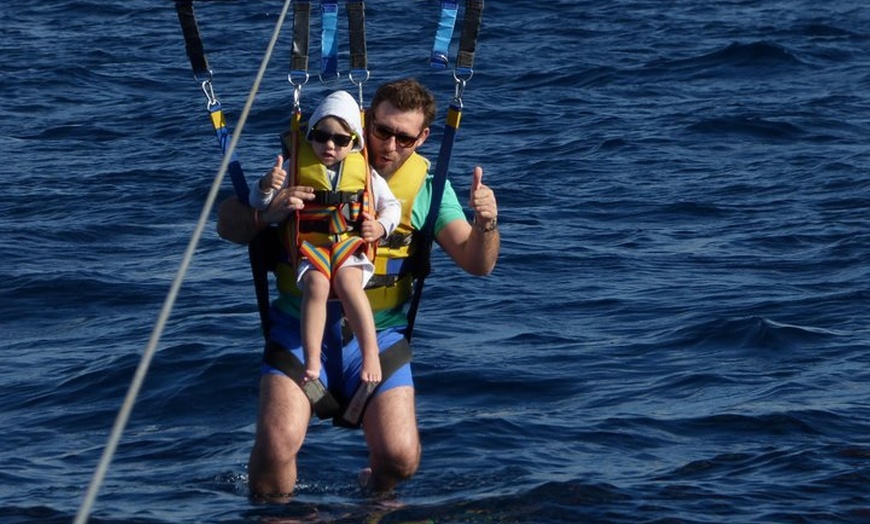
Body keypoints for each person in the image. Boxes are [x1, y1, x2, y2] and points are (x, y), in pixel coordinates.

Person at [216, 78, 499, 499]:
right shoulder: (308, 161)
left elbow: (478, 263)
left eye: (404, 138)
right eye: (381, 131)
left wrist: (487, 223)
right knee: (276, 449)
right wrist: (266, 216)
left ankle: (374, 494)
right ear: (365, 124)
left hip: (379, 337)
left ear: (421, 139)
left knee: (401, 457)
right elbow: (227, 224)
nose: (389, 145)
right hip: (298, 331)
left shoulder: (427, 189)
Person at [248, 90, 400, 387]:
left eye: (340, 140)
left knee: (347, 283)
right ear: (311, 136)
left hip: (349, 246)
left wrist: (381, 227)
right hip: (312, 246)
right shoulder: (294, 168)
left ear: (354, 142)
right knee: (316, 286)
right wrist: (267, 185)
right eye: (321, 136)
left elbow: (391, 206)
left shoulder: (365, 172)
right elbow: (259, 202)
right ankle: (313, 359)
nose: (329, 145)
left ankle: (370, 354)